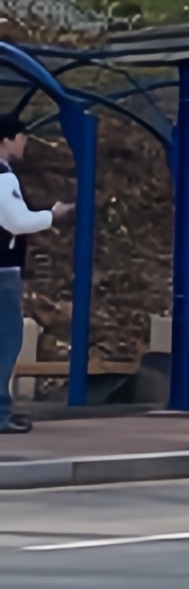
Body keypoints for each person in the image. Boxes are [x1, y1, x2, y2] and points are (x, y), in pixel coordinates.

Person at [0, 109, 72, 436]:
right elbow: (17, 222)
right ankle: (1, 413)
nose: (25, 144)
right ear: (7, 140)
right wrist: (52, 215)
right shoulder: (4, 178)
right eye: (22, 138)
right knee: (7, 340)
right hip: (3, 270)